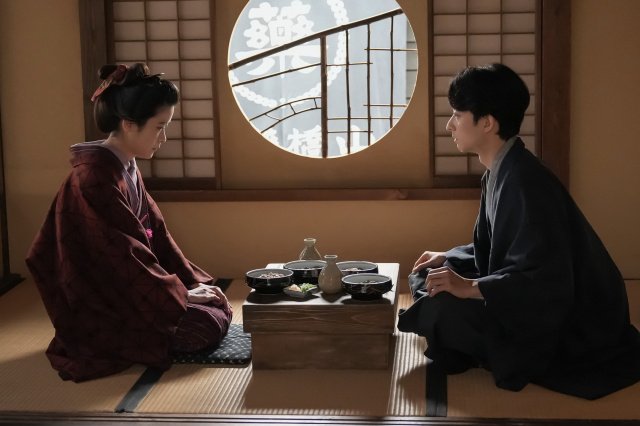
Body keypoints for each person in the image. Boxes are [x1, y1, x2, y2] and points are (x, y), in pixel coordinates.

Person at [397, 63, 640, 400]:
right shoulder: (502, 169)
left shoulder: (525, 181)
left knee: (439, 308)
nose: (449, 125)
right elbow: (504, 248)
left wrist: (469, 287)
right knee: (429, 275)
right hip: (524, 290)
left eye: (457, 114)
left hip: (569, 324)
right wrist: (449, 257)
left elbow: (546, 280)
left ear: (487, 123)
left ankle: (478, 346)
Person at [26, 63, 233, 382]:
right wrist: (180, 296)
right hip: (104, 298)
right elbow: (123, 256)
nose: (164, 138)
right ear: (128, 124)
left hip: (131, 285)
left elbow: (157, 235)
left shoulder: (124, 165)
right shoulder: (95, 176)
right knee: (204, 325)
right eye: (159, 127)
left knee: (217, 304)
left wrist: (189, 284)